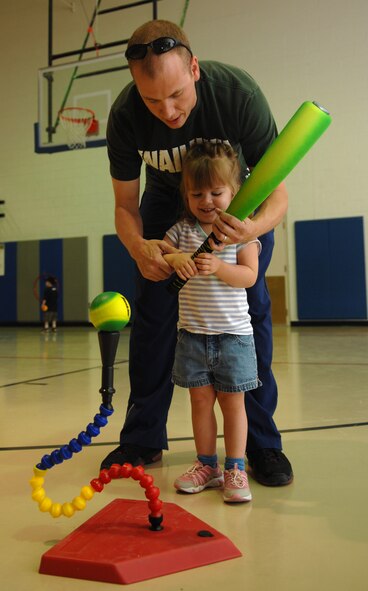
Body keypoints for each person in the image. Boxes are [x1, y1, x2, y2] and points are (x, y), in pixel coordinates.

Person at [102, 19, 293, 487]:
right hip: (169, 201)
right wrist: (137, 245)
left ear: (193, 68)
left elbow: (279, 197)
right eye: (152, 100)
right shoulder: (126, 116)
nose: (167, 111)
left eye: (176, 95)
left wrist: (251, 228)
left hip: (236, 201)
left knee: (251, 312)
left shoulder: (237, 94)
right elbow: (125, 206)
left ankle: (261, 445)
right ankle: (143, 436)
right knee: (153, 313)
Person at [163, 142, 260, 503]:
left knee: (234, 405)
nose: (207, 200)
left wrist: (219, 267)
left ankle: (235, 467)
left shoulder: (241, 232)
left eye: (216, 192)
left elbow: (249, 276)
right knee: (200, 403)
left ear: (233, 192)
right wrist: (176, 259)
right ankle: (207, 465)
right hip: (191, 337)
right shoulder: (181, 230)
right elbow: (160, 250)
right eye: (196, 193)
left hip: (234, 337)